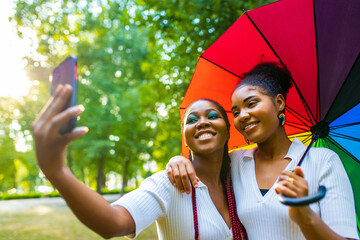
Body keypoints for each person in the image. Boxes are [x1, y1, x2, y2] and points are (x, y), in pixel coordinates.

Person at [166, 62, 359, 240]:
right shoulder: (236, 163)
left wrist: (306, 216)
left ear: (280, 103)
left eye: (251, 104)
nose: (243, 116)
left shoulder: (323, 161)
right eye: (236, 112)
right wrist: (179, 160)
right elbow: (203, 167)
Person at [31, 86, 247, 239]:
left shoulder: (243, 172)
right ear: (185, 138)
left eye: (212, 116)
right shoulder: (168, 184)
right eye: (191, 120)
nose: (202, 123)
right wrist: (57, 171)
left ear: (228, 130)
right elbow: (112, 222)